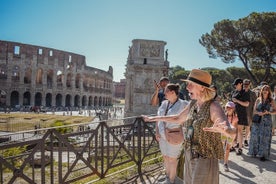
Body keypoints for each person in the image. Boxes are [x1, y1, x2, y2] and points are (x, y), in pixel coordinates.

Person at [143, 69, 236, 184]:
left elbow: (231, 129)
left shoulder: (213, 106)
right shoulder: (193, 104)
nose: (187, 87)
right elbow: (177, 118)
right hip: (189, 154)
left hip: (204, 158)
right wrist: (154, 118)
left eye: (191, 84)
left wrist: (226, 129)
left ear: (202, 87)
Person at [155, 83, 188, 184]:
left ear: (173, 92)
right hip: (162, 135)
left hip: (175, 136)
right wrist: (156, 131)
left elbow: (186, 119)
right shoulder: (164, 103)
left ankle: (171, 180)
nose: (164, 93)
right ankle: (167, 178)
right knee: (165, 157)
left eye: (166, 91)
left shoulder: (184, 104)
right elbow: (158, 118)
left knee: (172, 159)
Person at [248, 85, 276, 161]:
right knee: (255, 136)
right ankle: (254, 152)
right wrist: (259, 113)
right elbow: (254, 111)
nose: (265, 91)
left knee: (265, 138)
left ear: (269, 91)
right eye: (264, 89)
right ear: (261, 91)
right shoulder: (258, 100)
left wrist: (268, 112)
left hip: (267, 122)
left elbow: (275, 111)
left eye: (267, 89)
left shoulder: (271, 100)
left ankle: (263, 155)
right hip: (257, 121)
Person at [231, 78, 250, 155]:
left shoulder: (245, 93)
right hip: (233, 114)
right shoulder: (234, 92)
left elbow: (247, 104)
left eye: (236, 84)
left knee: (240, 131)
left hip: (241, 114)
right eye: (234, 84)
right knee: (233, 130)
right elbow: (231, 102)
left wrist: (237, 101)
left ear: (241, 84)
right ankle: (233, 145)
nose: (235, 85)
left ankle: (240, 148)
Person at [221, 101, 238, 172]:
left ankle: (225, 163)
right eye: (227, 107)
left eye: (230, 107)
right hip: (223, 134)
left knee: (227, 149)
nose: (229, 109)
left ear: (233, 108)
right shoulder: (223, 116)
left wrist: (235, 139)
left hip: (231, 135)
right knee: (221, 147)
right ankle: (218, 164)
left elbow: (235, 128)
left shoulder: (235, 118)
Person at [243, 79, 257, 146]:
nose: (245, 85)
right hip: (240, 113)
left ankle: (245, 139)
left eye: (247, 84)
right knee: (239, 128)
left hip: (249, 113)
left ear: (249, 85)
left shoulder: (253, 93)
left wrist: (254, 113)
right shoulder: (240, 92)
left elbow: (255, 104)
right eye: (244, 84)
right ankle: (237, 142)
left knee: (247, 127)